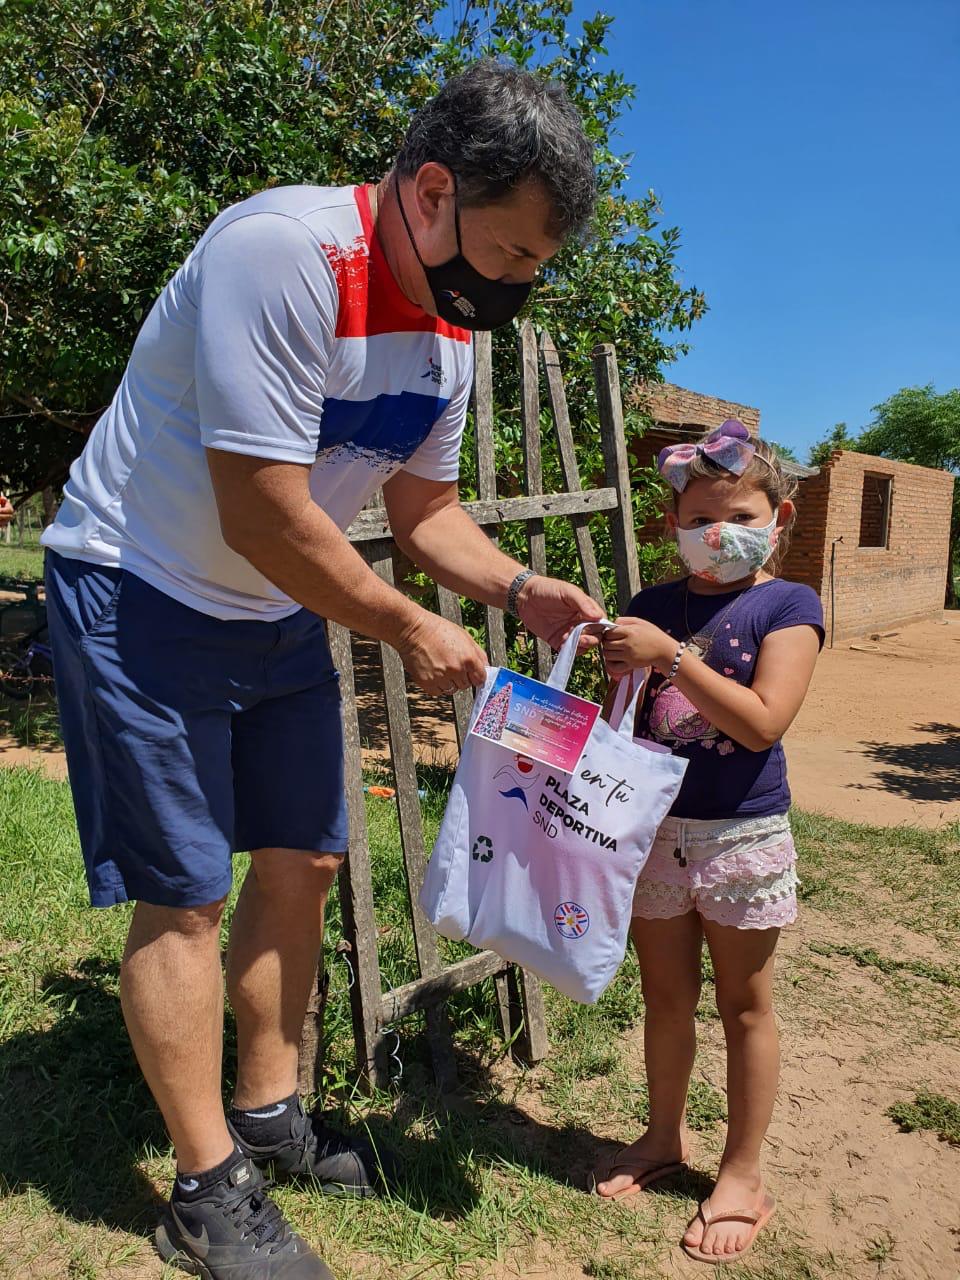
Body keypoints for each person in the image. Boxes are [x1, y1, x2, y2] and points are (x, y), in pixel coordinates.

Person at [40, 61, 603, 1280]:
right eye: (507, 254)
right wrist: (409, 629)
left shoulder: (450, 336)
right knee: (184, 885)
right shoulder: (284, 253)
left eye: (530, 269)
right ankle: (203, 1188)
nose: (513, 287)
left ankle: (268, 1114)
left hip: (274, 603)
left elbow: (426, 513)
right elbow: (262, 511)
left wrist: (515, 587)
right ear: (432, 189)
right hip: (142, 584)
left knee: (307, 852)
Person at [594, 420, 824, 1266]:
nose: (716, 532)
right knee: (664, 1000)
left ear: (779, 515)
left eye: (738, 514)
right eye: (699, 518)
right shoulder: (653, 606)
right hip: (656, 836)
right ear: (671, 524)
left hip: (742, 837)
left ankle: (741, 1172)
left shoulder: (788, 605)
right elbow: (623, 720)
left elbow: (763, 724)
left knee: (744, 1004)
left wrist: (671, 658)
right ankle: (663, 1139)